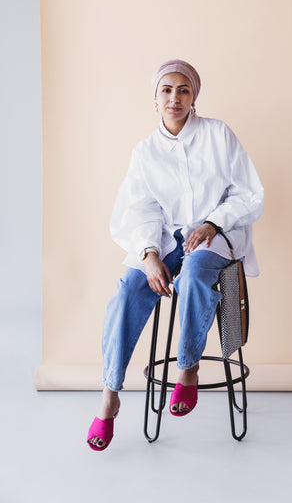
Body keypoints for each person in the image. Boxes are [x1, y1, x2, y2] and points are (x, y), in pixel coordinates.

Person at [87, 59, 264, 450]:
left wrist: (214, 223)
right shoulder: (145, 152)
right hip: (165, 240)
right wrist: (149, 253)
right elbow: (140, 208)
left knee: (197, 270)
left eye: (184, 90)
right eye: (167, 90)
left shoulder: (219, 135)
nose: (175, 97)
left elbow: (248, 192)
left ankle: (188, 369)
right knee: (128, 290)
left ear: (194, 96)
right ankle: (109, 394)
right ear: (155, 99)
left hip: (215, 237)